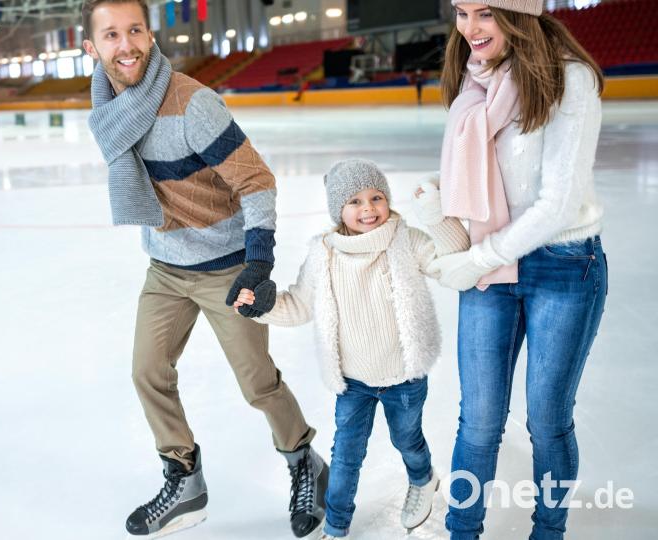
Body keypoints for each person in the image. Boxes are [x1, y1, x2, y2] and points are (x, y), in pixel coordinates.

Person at [81, 0, 327, 538]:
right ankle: (185, 481)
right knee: (148, 372)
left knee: (258, 384)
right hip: (166, 269)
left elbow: (257, 181)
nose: (126, 45)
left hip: (224, 267)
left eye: (135, 30)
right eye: (111, 35)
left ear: (150, 34)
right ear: (92, 48)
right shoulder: (109, 112)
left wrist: (258, 262)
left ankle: (305, 462)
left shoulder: (193, 103)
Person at [431, 2, 608, 538]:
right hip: (493, 268)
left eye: (486, 13)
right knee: (479, 420)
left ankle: (547, 531)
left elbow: (556, 203)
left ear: (518, 15)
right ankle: (463, 531)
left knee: (547, 420)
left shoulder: (569, 81)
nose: (470, 29)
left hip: (562, 264)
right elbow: (485, 186)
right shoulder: (475, 83)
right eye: (462, 12)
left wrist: (478, 260)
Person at [236, 159, 471, 538]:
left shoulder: (405, 239)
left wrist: (438, 217)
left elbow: (448, 264)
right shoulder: (324, 254)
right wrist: (262, 307)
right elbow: (299, 304)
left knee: (407, 439)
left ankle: (423, 478)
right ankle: (338, 526)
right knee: (346, 457)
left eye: (376, 197)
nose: (368, 208)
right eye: (355, 201)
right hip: (354, 381)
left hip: (404, 376)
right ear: (338, 211)